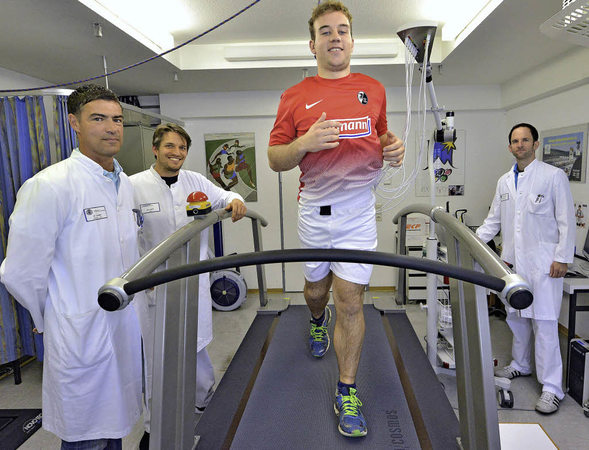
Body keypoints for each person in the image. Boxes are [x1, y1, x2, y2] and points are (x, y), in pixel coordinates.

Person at [267, 1, 405, 438]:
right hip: (315, 213)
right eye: (325, 31)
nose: (335, 37)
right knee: (315, 291)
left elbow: (381, 136)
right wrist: (304, 143)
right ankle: (315, 321)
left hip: (358, 214)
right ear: (313, 45)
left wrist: (393, 147)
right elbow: (275, 159)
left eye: (341, 30)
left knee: (350, 301)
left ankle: (346, 390)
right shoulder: (294, 96)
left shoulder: (373, 89)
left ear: (352, 40)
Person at [0, 84, 143, 448]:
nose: (111, 128)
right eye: (98, 118)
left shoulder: (124, 184)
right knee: (87, 437)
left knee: (115, 430)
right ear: (74, 123)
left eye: (117, 120)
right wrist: (51, 315)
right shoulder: (50, 185)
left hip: (122, 325)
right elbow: (20, 272)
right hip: (79, 331)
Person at [129, 123, 246, 449]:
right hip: (154, 286)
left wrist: (236, 199)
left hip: (193, 279)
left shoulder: (195, 181)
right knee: (158, 358)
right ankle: (154, 427)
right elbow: (125, 236)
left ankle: (204, 402)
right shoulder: (134, 186)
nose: (176, 153)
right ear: (156, 149)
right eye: (170, 146)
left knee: (195, 344)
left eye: (182, 148)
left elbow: (226, 194)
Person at [477, 123, 575, 414]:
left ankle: (552, 389)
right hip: (513, 264)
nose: (520, 145)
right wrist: (468, 242)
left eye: (525, 140)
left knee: (544, 324)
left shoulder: (553, 176)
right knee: (516, 317)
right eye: (515, 141)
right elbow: (493, 221)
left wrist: (562, 258)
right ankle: (521, 364)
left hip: (544, 265)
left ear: (536, 144)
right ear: (509, 147)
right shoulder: (505, 181)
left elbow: (566, 220)